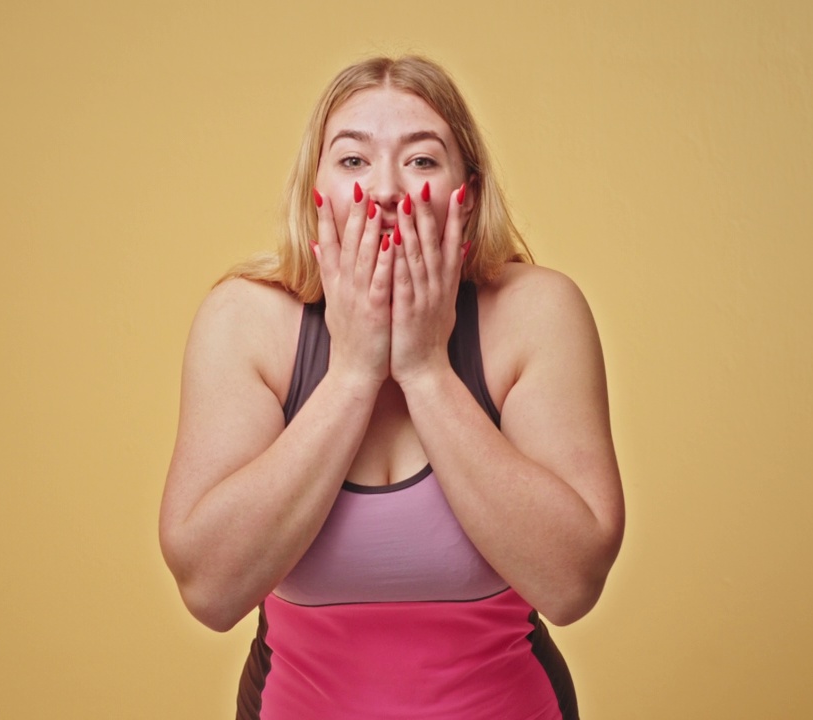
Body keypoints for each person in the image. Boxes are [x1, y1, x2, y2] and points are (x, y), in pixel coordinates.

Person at [159, 55, 624, 720]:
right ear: (312, 191)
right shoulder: (244, 322)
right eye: (352, 161)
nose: (384, 190)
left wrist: (427, 369)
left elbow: (572, 583)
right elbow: (209, 591)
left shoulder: (537, 312)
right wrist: (351, 372)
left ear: (468, 192)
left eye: (423, 161)